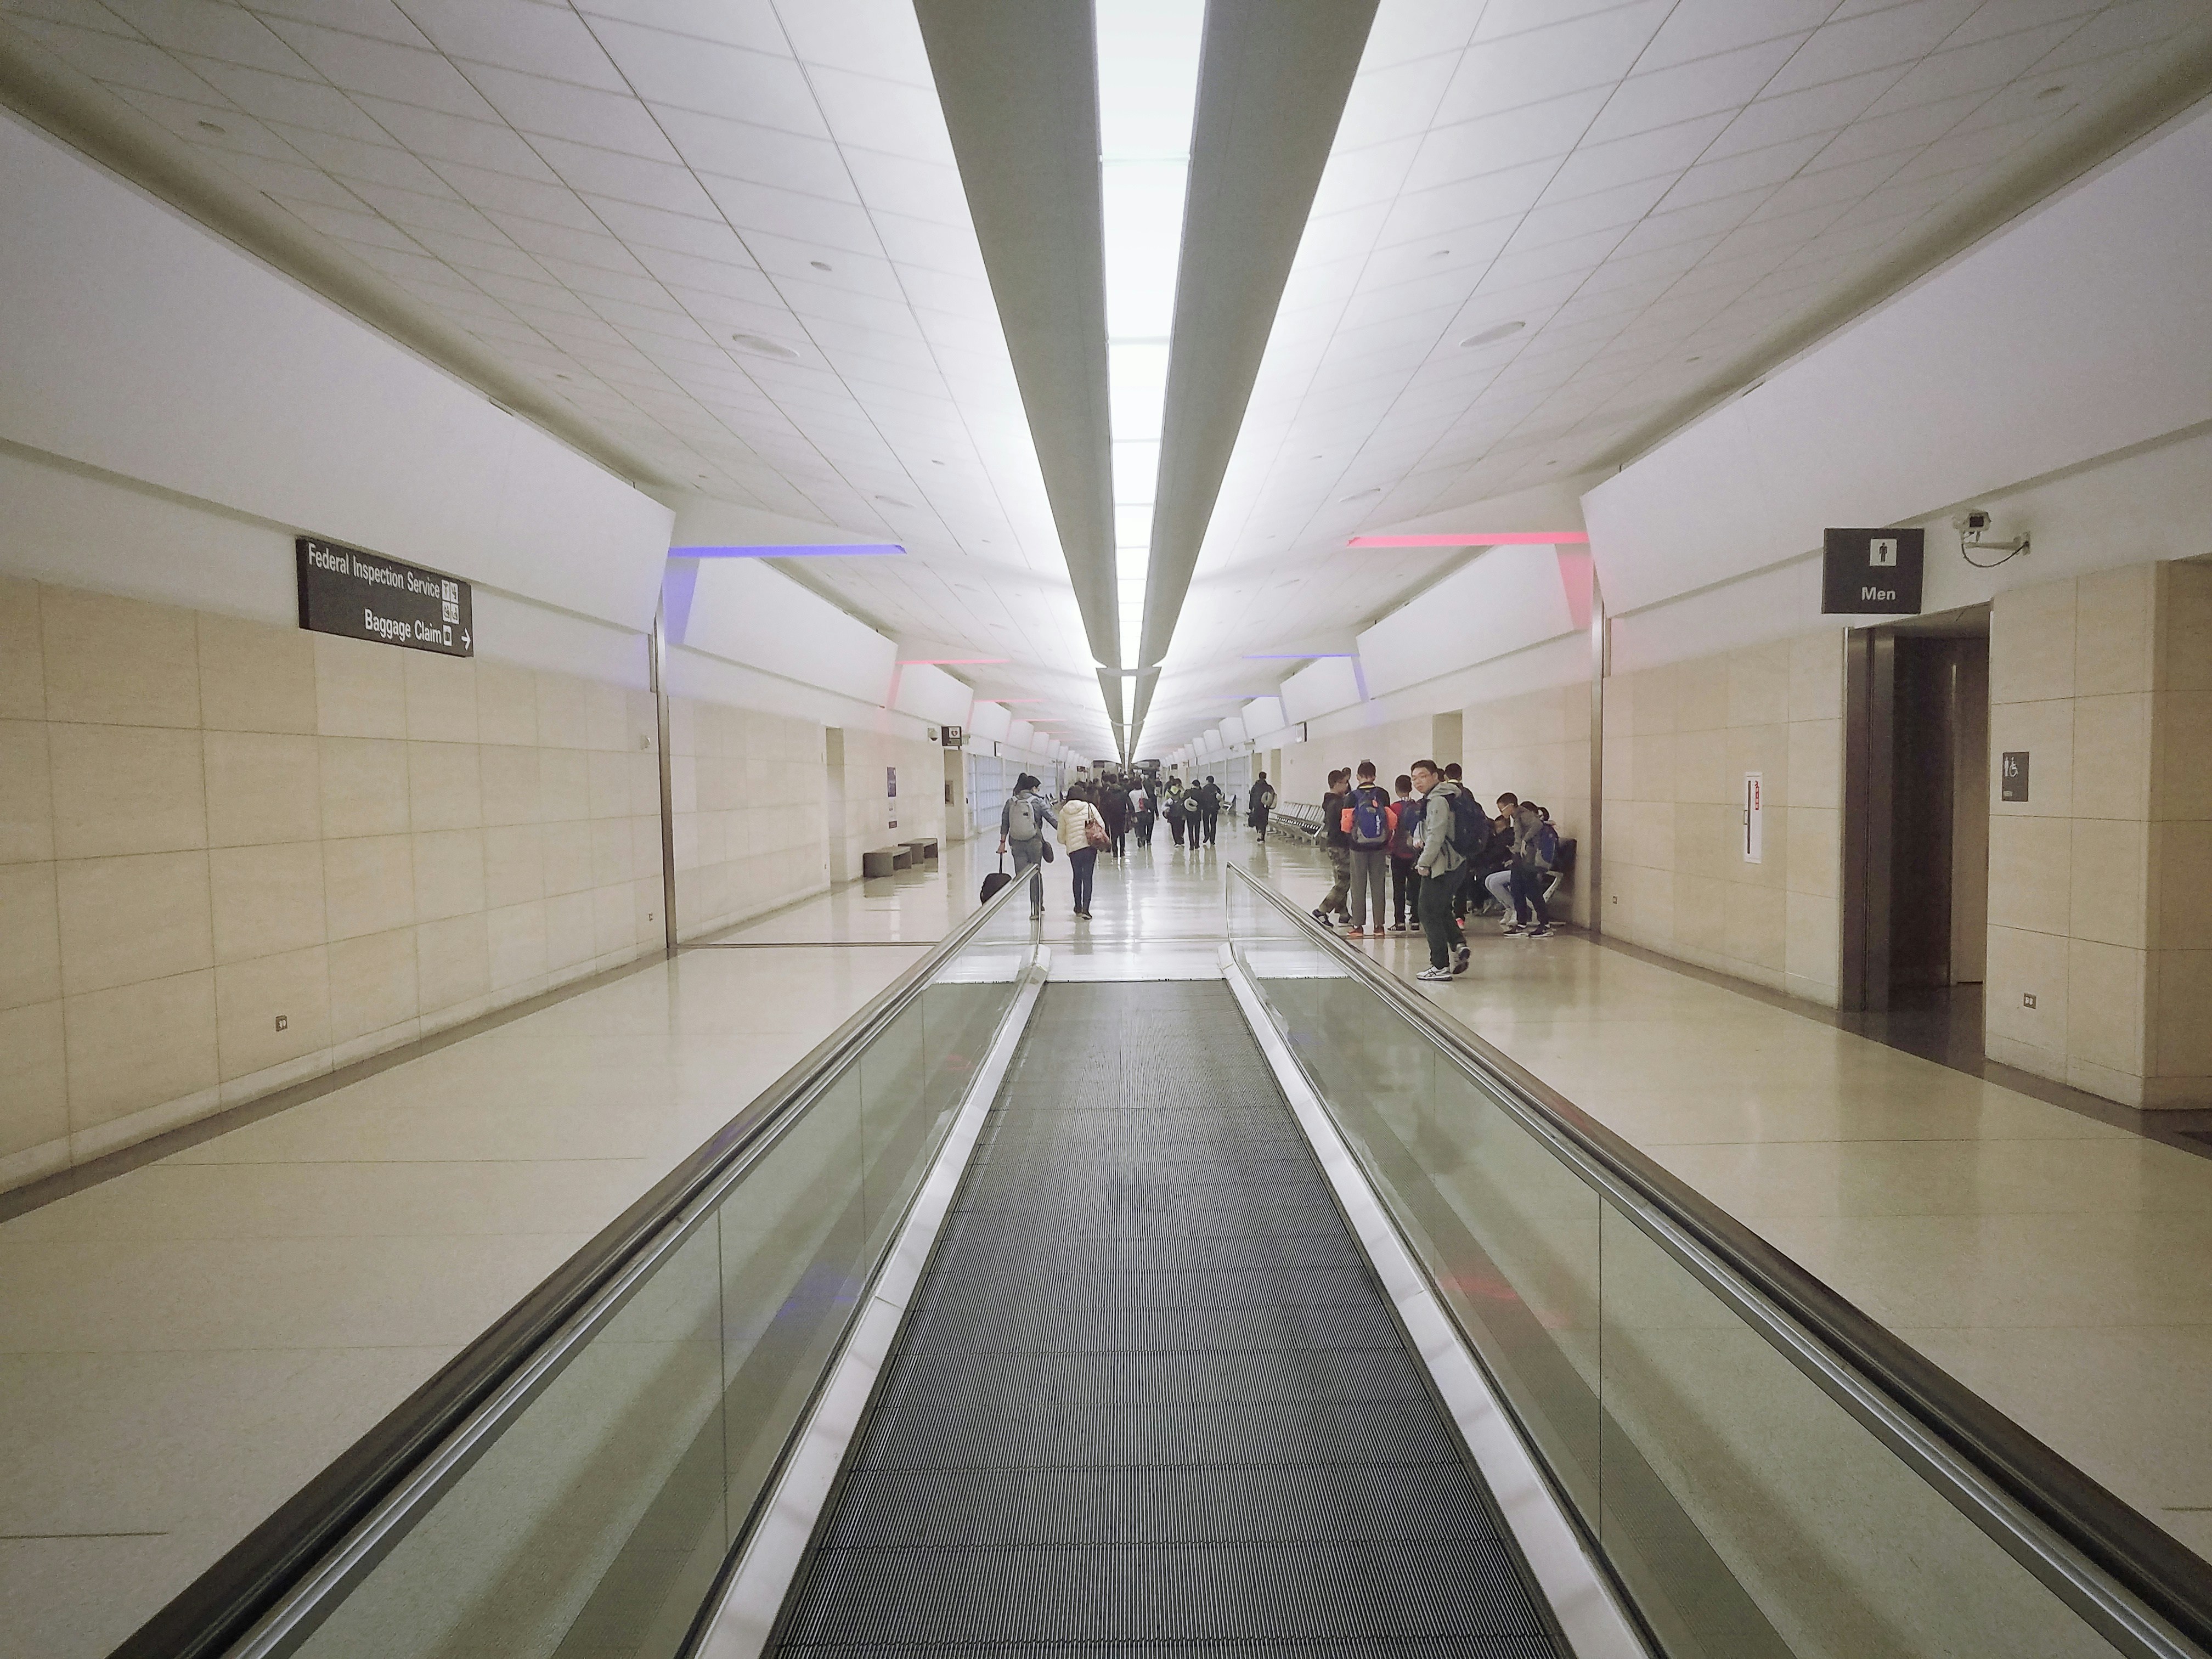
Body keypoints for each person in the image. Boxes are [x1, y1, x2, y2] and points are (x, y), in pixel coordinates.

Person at [1410, 759, 1470, 981]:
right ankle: (1458, 944)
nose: (1418, 781)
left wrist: (1424, 863)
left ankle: (1440, 966)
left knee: (1426, 911)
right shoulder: (1447, 797)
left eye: (1423, 776)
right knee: (1441, 907)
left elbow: (1436, 836)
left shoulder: (1438, 801)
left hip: (1442, 865)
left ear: (1436, 776)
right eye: (1415, 777)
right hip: (1456, 863)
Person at [1342, 761, 1395, 938]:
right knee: (1378, 884)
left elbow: (1346, 824)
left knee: (1358, 885)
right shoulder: (1383, 794)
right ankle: (1379, 926)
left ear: (1358, 777)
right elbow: (1391, 820)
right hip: (1380, 846)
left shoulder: (1351, 796)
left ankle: (1358, 925)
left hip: (1357, 847)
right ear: (1374, 776)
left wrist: (1352, 840)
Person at [997, 772, 1057, 918]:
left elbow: (1005, 823)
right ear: (1032, 788)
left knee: (1022, 875)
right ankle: (1037, 907)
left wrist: (1002, 844)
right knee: (1035, 873)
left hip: (1016, 843)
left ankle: (1035, 904)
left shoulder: (1011, 801)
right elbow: (1052, 819)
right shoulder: (1037, 802)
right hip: (1035, 842)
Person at [1505, 800, 1559, 939]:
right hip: (1520, 859)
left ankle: (1544, 924)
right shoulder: (1518, 818)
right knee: (1517, 889)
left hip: (1529, 860)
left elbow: (1537, 825)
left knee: (1532, 890)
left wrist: (1524, 841)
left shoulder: (1525, 816)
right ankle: (1522, 923)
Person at [1057, 781, 1104, 921]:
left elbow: (1060, 836)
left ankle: (1077, 907)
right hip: (1090, 847)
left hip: (1074, 850)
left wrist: (1068, 842)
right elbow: (1101, 825)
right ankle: (1086, 909)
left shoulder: (1064, 812)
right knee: (1087, 877)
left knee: (1077, 876)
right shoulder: (1090, 807)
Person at [1313, 767, 1354, 926]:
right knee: (1345, 881)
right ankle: (1322, 910)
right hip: (1340, 846)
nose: (1346, 787)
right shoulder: (1338, 804)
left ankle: (1343, 914)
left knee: (1340, 878)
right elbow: (1343, 827)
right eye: (1345, 783)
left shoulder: (1329, 802)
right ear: (1337, 784)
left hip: (1333, 845)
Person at [1388, 773, 1422, 933]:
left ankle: (1399, 921)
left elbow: (1390, 830)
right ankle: (1415, 920)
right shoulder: (1418, 807)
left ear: (1396, 789)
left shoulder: (1394, 808)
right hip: (1415, 853)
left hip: (1398, 853)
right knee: (1416, 888)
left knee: (1399, 889)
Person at [1482, 793, 1522, 922]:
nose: (1501, 812)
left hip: (1525, 867)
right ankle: (1509, 907)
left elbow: (1522, 846)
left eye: (1501, 809)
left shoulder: (1523, 822)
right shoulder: (1516, 822)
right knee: (1489, 881)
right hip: (1517, 864)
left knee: (1494, 881)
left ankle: (1518, 909)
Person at [1098, 775, 1129, 858]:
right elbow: (1129, 804)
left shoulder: (1108, 793)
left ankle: (1115, 851)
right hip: (1122, 815)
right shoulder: (1123, 792)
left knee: (1114, 834)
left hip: (1111, 816)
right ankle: (1122, 851)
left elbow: (1104, 805)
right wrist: (1132, 814)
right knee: (1122, 833)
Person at [1249, 772, 1275, 839]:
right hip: (1265, 808)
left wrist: (1251, 807)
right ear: (1265, 778)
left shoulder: (1255, 787)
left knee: (1257, 822)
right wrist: (1270, 806)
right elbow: (1273, 797)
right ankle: (1262, 836)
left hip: (1257, 807)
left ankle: (1259, 832)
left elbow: (1251, 797)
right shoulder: (1268, 787)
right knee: (1263, 822)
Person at [1198, 775, 1222, 845]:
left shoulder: (1204, 789)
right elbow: (1220, 798)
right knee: (1213, 824)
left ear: (1207, 781)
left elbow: (1201, 799)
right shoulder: (1217, 788)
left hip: (1206, 809)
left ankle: (1207, 835)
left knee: (1206, 823)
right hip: (1214, 809)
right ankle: (1212, 840)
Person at [1130, 778, 1154, 847]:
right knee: (1143, 826)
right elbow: (1147, 800)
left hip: (1135, 813)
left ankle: (1138, 837)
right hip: (1143, 811)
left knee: (1137, 827)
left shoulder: (1131, 794)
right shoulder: (1142, 792)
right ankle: (1143, 839)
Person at [1163, 777, 1187, 848]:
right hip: (1180, 812)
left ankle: (1177, 841)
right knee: (1181, 826)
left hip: (1172, 812)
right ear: (1178, 784)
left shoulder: (1168, 792)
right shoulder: (1181, 792)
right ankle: (1181, 838)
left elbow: (1166, 802)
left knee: (1174, 827)